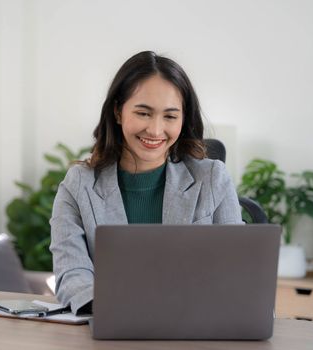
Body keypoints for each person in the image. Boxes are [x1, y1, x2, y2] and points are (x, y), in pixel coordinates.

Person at [49, 51, 242, 314]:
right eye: (143, 113)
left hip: (195, 328)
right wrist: (116, 310)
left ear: (183, 119)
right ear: (118, 111)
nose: (155, 130)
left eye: (170, 116)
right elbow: (72, 273)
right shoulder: (79, 185)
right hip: (111, 326)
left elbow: (237, 272)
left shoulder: (212, 179)